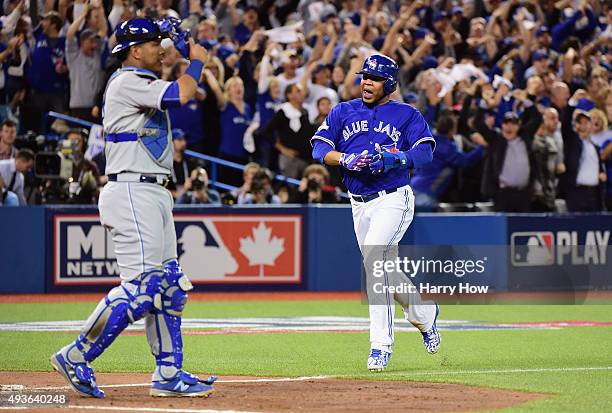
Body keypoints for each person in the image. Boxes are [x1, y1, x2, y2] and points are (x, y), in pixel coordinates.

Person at [50, 17, 215, 398]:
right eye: (155, 43)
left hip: (153, 191)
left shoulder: (142, 81)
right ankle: (76, 355)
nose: (162, 48)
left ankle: (168, 374)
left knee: (170, 287)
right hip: (130, 189)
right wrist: (198, 60)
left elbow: (178, 91)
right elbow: (181, 94)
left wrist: (183, 47)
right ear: (135, 51)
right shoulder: (127, 81)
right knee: (143, 288)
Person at [310, 54, 440, 372]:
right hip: (359, 202)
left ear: (390, 83)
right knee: (385, 271)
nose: (367, 82)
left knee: (373, 262)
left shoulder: (406, 114)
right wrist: (344, 159)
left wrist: (396, 159)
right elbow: (318, 148)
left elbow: (425, 151)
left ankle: (380, 345)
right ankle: (424, 314)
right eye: (364, 76)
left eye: (375, 77)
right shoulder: (343, 110)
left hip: (393, 198)